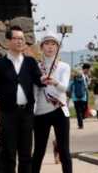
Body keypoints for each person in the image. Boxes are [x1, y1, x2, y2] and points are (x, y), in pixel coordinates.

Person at [0, 25, 39, 173]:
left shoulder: (30, 62)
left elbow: (39, 80)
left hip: (27, 113)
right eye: (16, 38)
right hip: (7, 114)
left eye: (22, 39)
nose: (19, 41)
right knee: (8, 153)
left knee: (26, 154)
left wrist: (47, 79)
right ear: (8, 41)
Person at [30, 33, 74, 173]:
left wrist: (54, 82)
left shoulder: (64, 66)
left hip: (60, 111)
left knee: (64, 150)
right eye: (47, 44)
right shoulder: (36, 67)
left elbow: (65, 88)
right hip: (41, 112)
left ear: (58, 47)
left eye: (53, 44)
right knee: (39, 150)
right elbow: (34, 92)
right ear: (41, 47)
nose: (50, 47)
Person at [69, 64, 90, 130]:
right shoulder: (84, 77)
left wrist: (70, 92)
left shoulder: (73, 78)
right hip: (83, 97)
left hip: (75, 97)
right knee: (83, 109)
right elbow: (86, 86)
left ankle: (80, 124)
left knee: (78, 111)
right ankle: (81, 119)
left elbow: (69, 86)